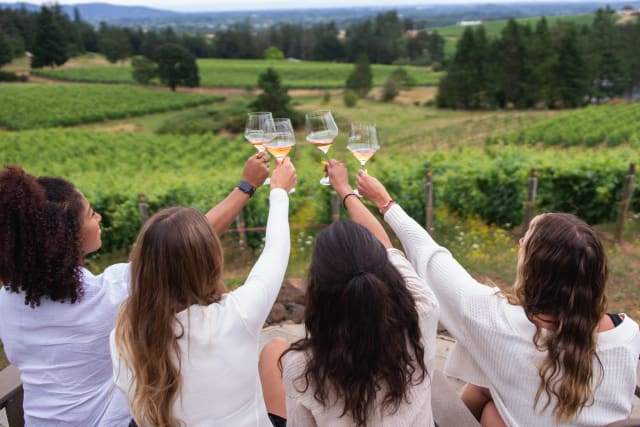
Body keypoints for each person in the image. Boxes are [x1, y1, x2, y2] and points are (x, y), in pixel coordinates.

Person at [0, 152, 271, 426]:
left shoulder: (7, 301)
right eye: (91, 214)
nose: (99, 218)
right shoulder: (107, 296)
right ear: (68, 238)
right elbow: (186, 242)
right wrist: (247, 186)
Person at [355, 170, 640, 427]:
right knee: (489, 394)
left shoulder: (497, 320)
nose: (519, 244)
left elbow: (430, 257)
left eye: (524, 241)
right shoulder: (628, 334)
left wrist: (385, 203)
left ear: (534, 269)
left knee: (471, 397)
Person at [110, 157, 296, 427]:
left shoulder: (123, 334)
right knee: (277, 350)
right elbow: (276, 251)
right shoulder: (236, 316)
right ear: (211, 261)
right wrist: (279, 192)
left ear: (142, 265)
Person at [260, 159, 440, 427]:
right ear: (385, 271)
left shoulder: (304, 366)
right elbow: (385, 244)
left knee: (274, 350)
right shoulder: (422, 311)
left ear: (319, 291)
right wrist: (345, 190)